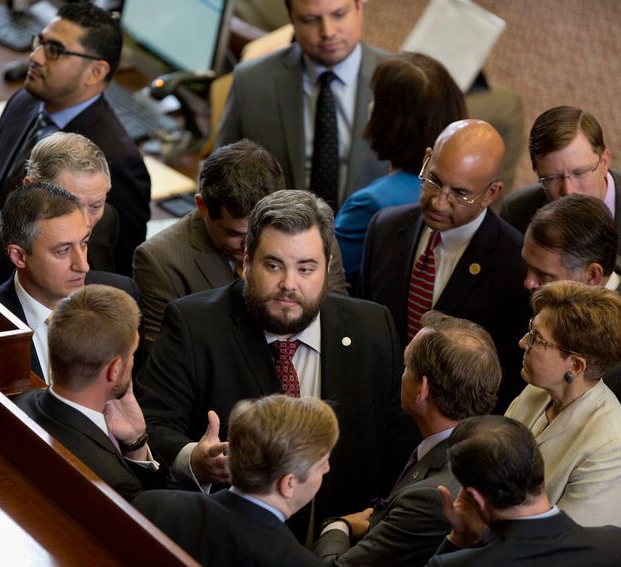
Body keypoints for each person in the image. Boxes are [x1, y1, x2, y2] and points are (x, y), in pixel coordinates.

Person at [137, 189, 418, 537]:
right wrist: (194, 459)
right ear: (246, 262)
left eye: (306, 268)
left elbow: (400, 448)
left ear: (327, 267)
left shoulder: (374, 328)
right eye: (273, 266)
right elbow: (153, 423)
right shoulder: (194, 325)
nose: (289, 284)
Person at [0, 2, 150, 276]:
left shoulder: (119, 160)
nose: (35, 57)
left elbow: (115, 269)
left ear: (96, 72)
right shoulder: (23, 101)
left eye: (54, 50)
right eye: (40, 42)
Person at [359, 119, 530, 413]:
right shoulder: (385, 228)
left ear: (491, 193)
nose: (438, 202)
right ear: (427, 159)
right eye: (434, 180)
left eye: (460, 193)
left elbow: (508, 378)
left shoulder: (515, 265)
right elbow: (365, 324)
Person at [315, 311, 500, 566]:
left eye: (406, 366)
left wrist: (337, 527)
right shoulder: (488, 446)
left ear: (422, 390)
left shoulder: (432, 497)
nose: (401, 375)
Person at [133, 139, 348, 350]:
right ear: (202, 206)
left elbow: (337, 321)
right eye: (236, 234)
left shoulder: (312, 236)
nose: (250, 248)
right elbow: (166, 361)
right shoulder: (160, 261)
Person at [216, 0, 389, 209]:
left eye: (339, 14)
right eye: (310, 19)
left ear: (359, 8)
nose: (328, 32)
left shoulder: (401, 83)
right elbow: (221, 176)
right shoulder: (251, 81)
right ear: (292, 20)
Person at [133, 395, 336, 567]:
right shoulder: (297, 563)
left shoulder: (151, 506)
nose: (327, 469)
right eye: (321, 464)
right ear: (288, 484)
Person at [14, 285, 166, 502]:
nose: (133, 362)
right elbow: (155, 516)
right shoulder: (114, 482)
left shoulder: (24, 401)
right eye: (132, 355)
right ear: (114, 370)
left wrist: (136, 444)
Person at [334, 52, 466, 288]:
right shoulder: (464, 196)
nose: (370, 106)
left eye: (376, 99)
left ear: (390, 120)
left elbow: (321, 274)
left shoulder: (369, 205)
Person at [427, 415, 621, 566]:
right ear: (539, 468)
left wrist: (461, 538)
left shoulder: (457, 564)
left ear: (476, 499)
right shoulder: (613, 544)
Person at [0, 182, 137, 383]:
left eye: (84, 243)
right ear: (19, 256)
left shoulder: (121, 295)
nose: (83, 265)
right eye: (63, 251)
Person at [505, 280, 621, 527]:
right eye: (530, 329)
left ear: (576, 366)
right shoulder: (535, 392)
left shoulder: (610, 445)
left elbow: (567, 547)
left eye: (537, 338)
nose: (523, 342)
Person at [0, 132, 122, 289]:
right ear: (30, 188)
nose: (85, 222)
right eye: (69, 205)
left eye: (95, 206)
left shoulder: (107, 221)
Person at [520, 194, 621, 396]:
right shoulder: (532, 297)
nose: (528, 282)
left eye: (543, 274)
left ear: (592, 275)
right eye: (527, 266)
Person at [500, 106, 621, 249]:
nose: (569, 191)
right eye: (552, 178)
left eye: (580, 173)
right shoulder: (516, 212)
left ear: (604, 161)